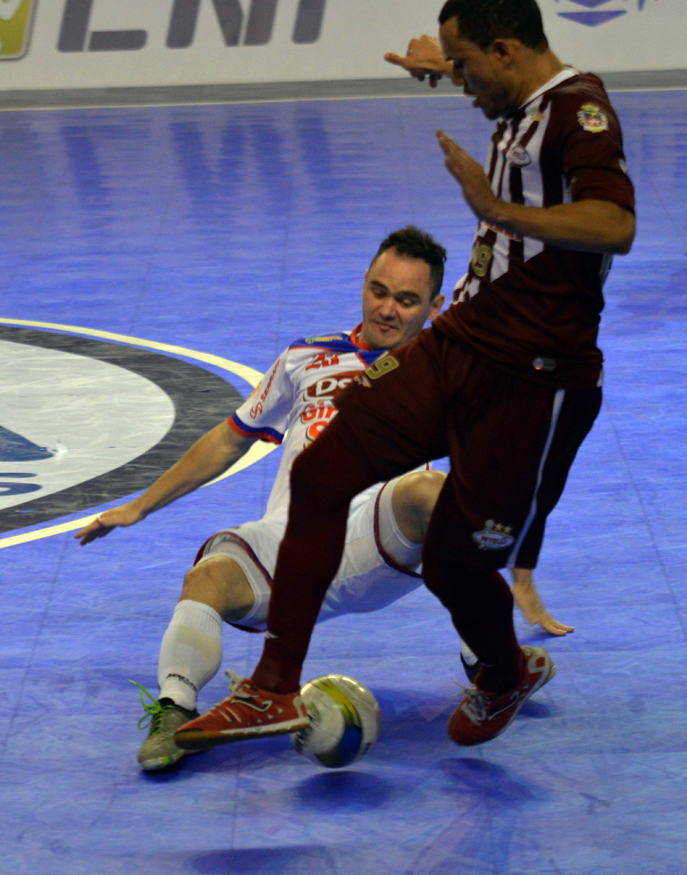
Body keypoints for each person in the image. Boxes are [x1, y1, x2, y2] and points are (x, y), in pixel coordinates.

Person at [173, 0, 635, 755]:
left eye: (465, 66)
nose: (459, 83)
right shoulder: (519, 99)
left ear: (509, 51)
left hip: (531, 380)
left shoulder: (580, 112)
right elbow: (509, 137)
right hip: (459, 343)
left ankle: (502, 671)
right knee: (323, 474)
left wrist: (490, 208)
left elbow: (616, 224)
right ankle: (273, 686)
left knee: (456, 560)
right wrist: (448, 65)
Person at [77, 226, 560, 769]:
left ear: (435, 305)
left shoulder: (452, 368)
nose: (387, 310)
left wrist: (520, 564)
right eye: (379, 291)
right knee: (207, 577)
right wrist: (140, 505)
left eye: (407, 301)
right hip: (289, 539)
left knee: (430, 492)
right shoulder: (307, 357)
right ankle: (175, 713)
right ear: (363, 284)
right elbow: (230, 437)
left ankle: (494, 665)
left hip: (375, 538)